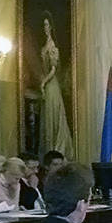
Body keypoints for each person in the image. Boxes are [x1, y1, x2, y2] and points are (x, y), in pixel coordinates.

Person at [38, 14, 72, 156]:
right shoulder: (46, 45)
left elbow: (53, 70)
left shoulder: (52, 46)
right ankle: (49, 150)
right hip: (48, 85)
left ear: (51, 27)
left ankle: (57, 149)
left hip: (52, 85)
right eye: (43, 25)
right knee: (48, 119)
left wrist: (43, 82)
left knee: (54, 117)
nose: (45, 28)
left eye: (47, 25)